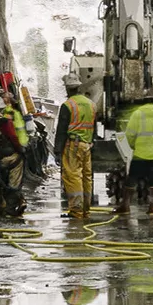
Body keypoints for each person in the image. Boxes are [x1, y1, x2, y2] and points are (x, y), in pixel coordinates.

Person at [121, 95, 153, 218]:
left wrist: (133, 146)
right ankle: (152, 207)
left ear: (143, 101)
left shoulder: (137, 114)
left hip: (140, 153)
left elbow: (129, 135)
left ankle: (125, 206)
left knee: (132, 179)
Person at [53, 79, 97, 221]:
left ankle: (76, 211)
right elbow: (93, 127)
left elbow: (61, 130)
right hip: (87, 145)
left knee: (73, 177)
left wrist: (57, 150)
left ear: (68, 89)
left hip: (73, 145)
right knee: (86, 177)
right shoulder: (91, 104)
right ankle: (86, 210)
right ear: (79, 88)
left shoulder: (68, 105)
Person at [0, 90, 28, 216]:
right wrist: (21, 149)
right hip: (10, 156)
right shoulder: (6, 121)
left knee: (3, 182)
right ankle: (11, 208)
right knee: (15, 182)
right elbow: (13, 137)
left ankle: (14, 202)